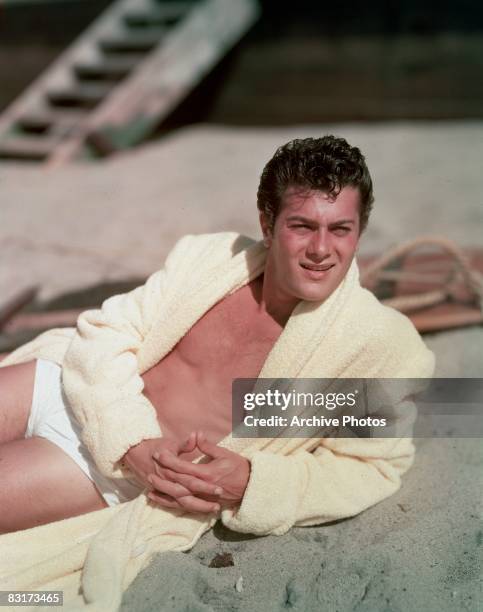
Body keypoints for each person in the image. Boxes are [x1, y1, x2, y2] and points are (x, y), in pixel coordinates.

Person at [0, 136, 434, 544]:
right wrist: (130, 440)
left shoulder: (379, 343)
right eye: (302, 226)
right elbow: (109, 328)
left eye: (340, 229)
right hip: (74, 386)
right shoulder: (214, 257)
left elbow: (371, 468)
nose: (321, 249)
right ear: (268, 225)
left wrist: (250, 481)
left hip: (107, 468)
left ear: (359, 232)